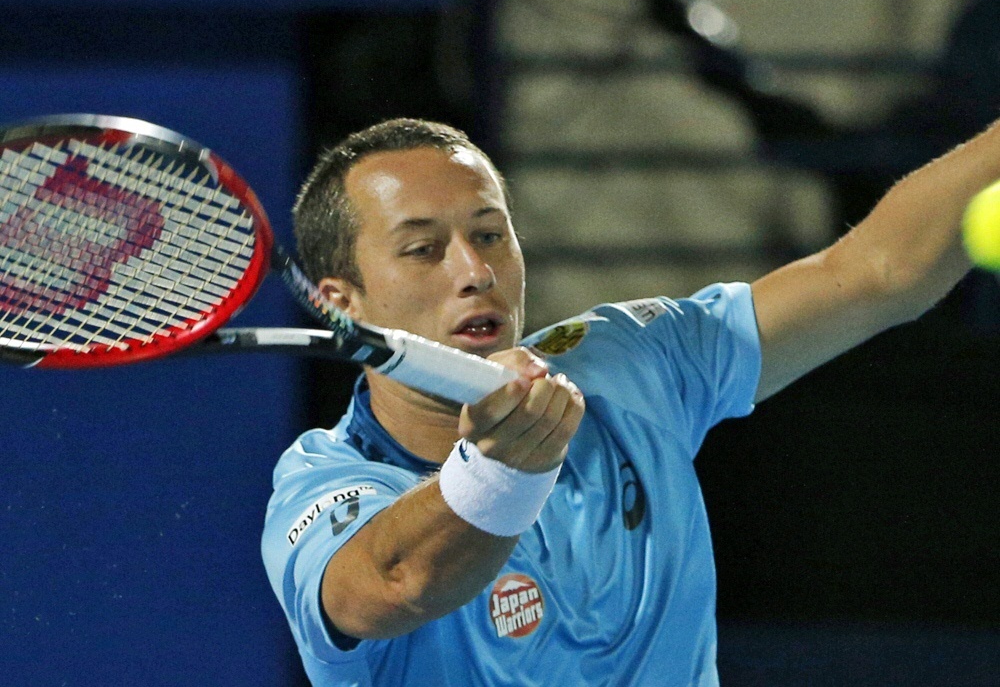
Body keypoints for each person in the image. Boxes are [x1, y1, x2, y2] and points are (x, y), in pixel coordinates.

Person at [261, 116, 993, 686]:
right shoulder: (323, 485)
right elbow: (393, 584)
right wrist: (496, 474)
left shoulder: (624, 363)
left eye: (491, 235)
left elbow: (876, 270)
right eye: (423, 250)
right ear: (341, 305)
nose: (475, 270)